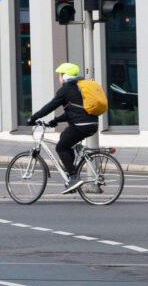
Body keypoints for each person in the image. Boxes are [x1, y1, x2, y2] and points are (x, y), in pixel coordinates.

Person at [26, 63, 98, 194]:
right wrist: (55, 120)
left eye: (59, 75)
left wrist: (33, 118)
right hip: (92, 124)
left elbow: (50, 106)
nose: (59, 78)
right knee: (64, 138)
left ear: (64, 76)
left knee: (60, 147)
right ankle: (71, 173)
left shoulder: (66, 89)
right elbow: (73, 112)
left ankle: (74, 177)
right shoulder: (79, 88)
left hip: (80, 125)